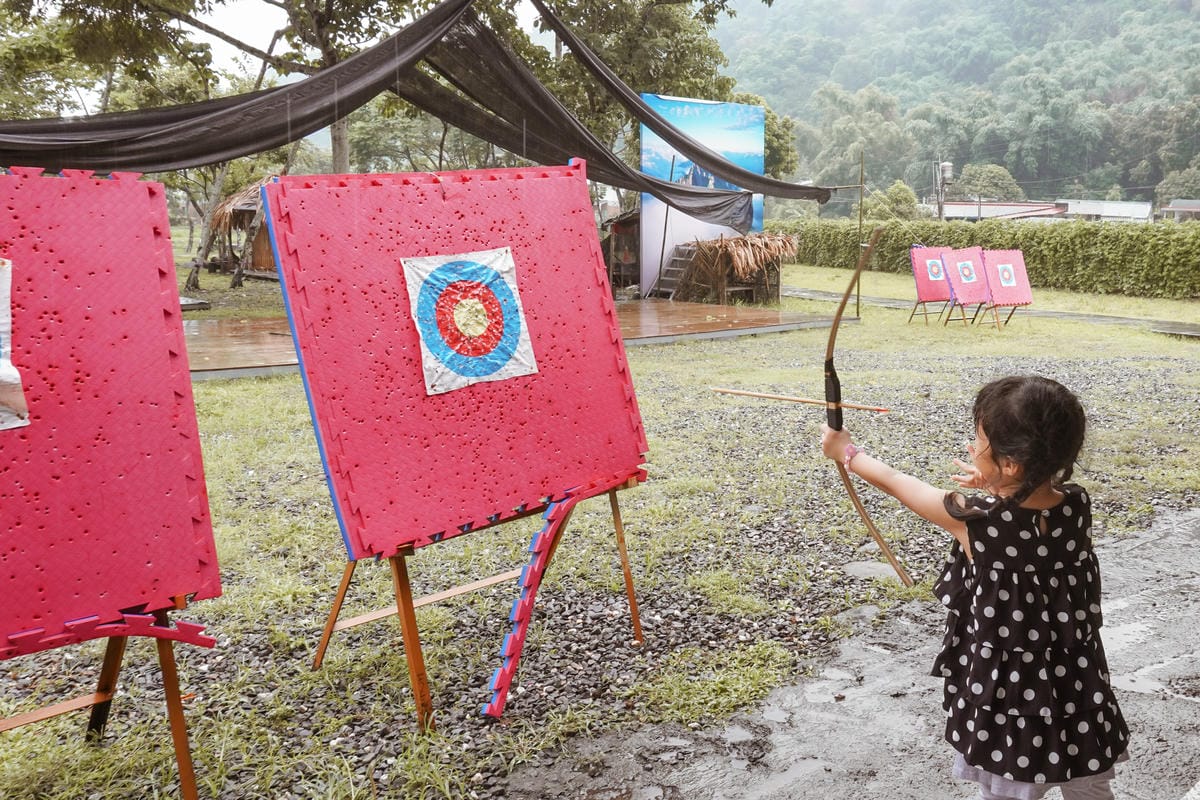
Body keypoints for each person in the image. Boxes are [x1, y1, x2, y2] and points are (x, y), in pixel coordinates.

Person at [820, 375, 1129, 800]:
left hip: (1011, 699)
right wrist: (999, 482)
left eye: (980, 440)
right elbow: (1031, 512)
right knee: (1089, 785)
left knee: (1009, 789)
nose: (974, 444)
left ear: (1011, 463)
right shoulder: (1076, 506)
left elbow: (896, 480)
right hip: (1075, 687)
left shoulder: (975, 518)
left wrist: (845, 451)